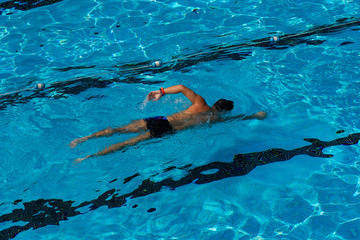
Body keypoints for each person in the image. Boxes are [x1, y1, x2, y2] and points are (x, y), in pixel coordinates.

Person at [70, 85, 267, 163]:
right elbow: (239, 119)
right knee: (128, 144)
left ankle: (84, 139)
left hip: (162, 120)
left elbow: (181, 87)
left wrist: (161, 92)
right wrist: (256, 116)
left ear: (215, 103)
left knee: (118, 130)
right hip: (167, 130)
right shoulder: (216, 119)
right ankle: (89, 157)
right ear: (223, 110)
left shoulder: (199, 102)